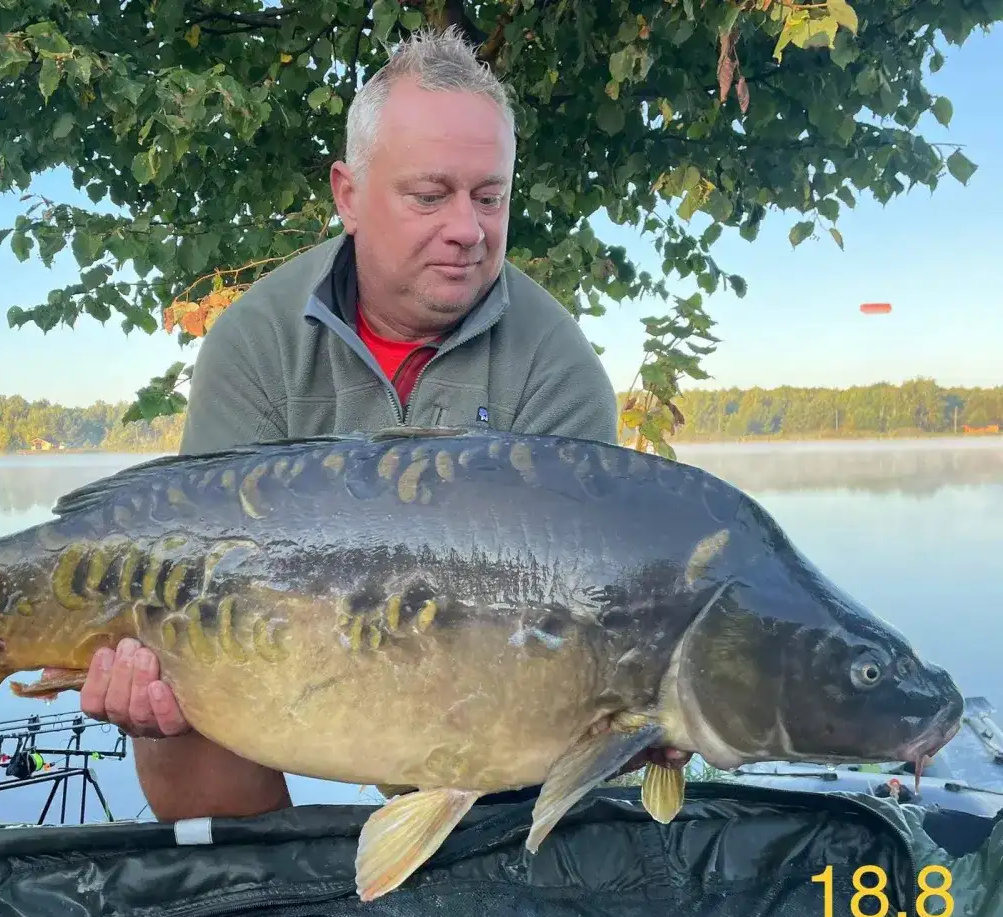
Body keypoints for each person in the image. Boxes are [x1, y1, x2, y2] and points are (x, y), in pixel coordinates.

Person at [74, 26, 691, 822]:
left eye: (490, 197)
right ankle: (259, 892)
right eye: (430, 195)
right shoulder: (256, 341)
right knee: (168, 696)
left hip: (492, 689)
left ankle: (451, 873)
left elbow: (586, 623)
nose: (468, 228)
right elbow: (192, 552)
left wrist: (646, 703)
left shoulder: (557, 367)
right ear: (348, 195)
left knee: (551, 738)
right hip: (274, 661)